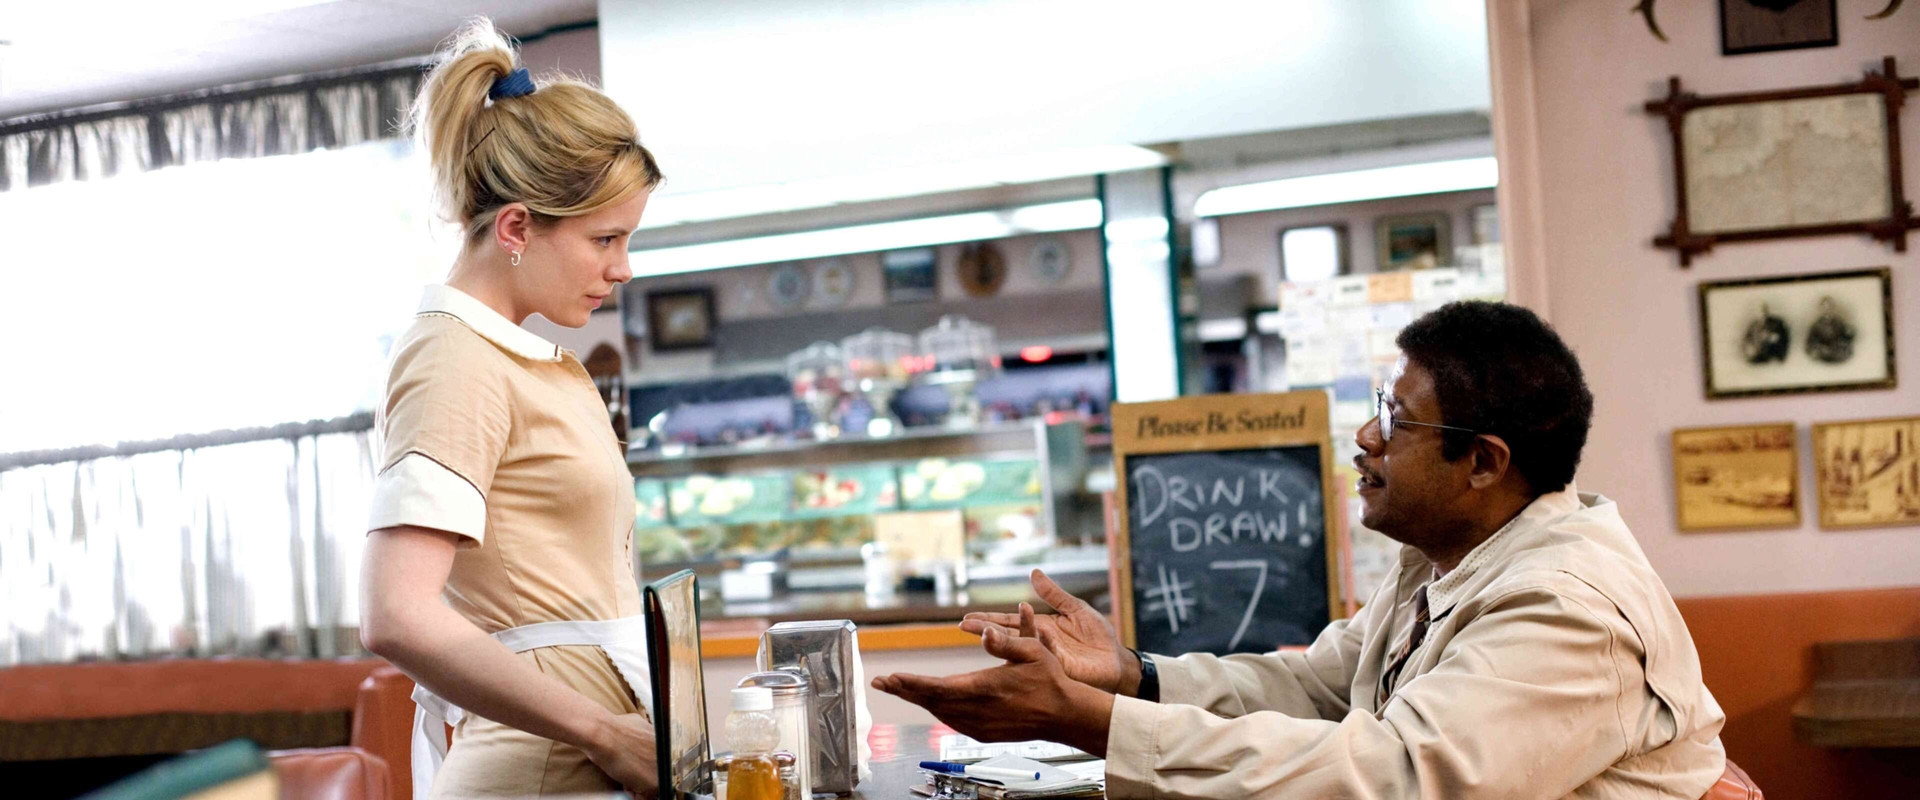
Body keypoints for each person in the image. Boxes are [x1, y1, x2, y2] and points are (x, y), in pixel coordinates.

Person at [874, 301, 1728, 799]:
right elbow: (1320, 688)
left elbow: (1398, 778)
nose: (1365, 437)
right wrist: (1131, 677)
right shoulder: (1451, 558)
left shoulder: (1567, 607)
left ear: (1483, 463)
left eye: (1396, 420)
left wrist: (1096, 724)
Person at [358, 18, 664, 799]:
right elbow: (396, 613)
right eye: (606, 240)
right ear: (517, 226)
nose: (623, 269)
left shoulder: (513, 358)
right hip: (540, 768)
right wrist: (603, 730)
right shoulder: (453, 358)